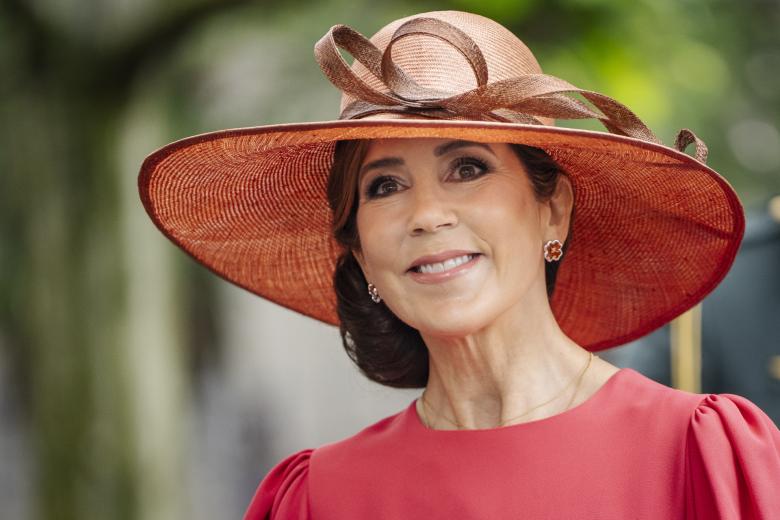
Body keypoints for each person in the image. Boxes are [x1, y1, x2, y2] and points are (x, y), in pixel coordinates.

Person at [138, 10, 780, 519]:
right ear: (359, 249)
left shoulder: (700, 454)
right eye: (384, 186)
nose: (426, 214)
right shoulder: (317, 498)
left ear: (551, 211)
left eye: (467, 168)